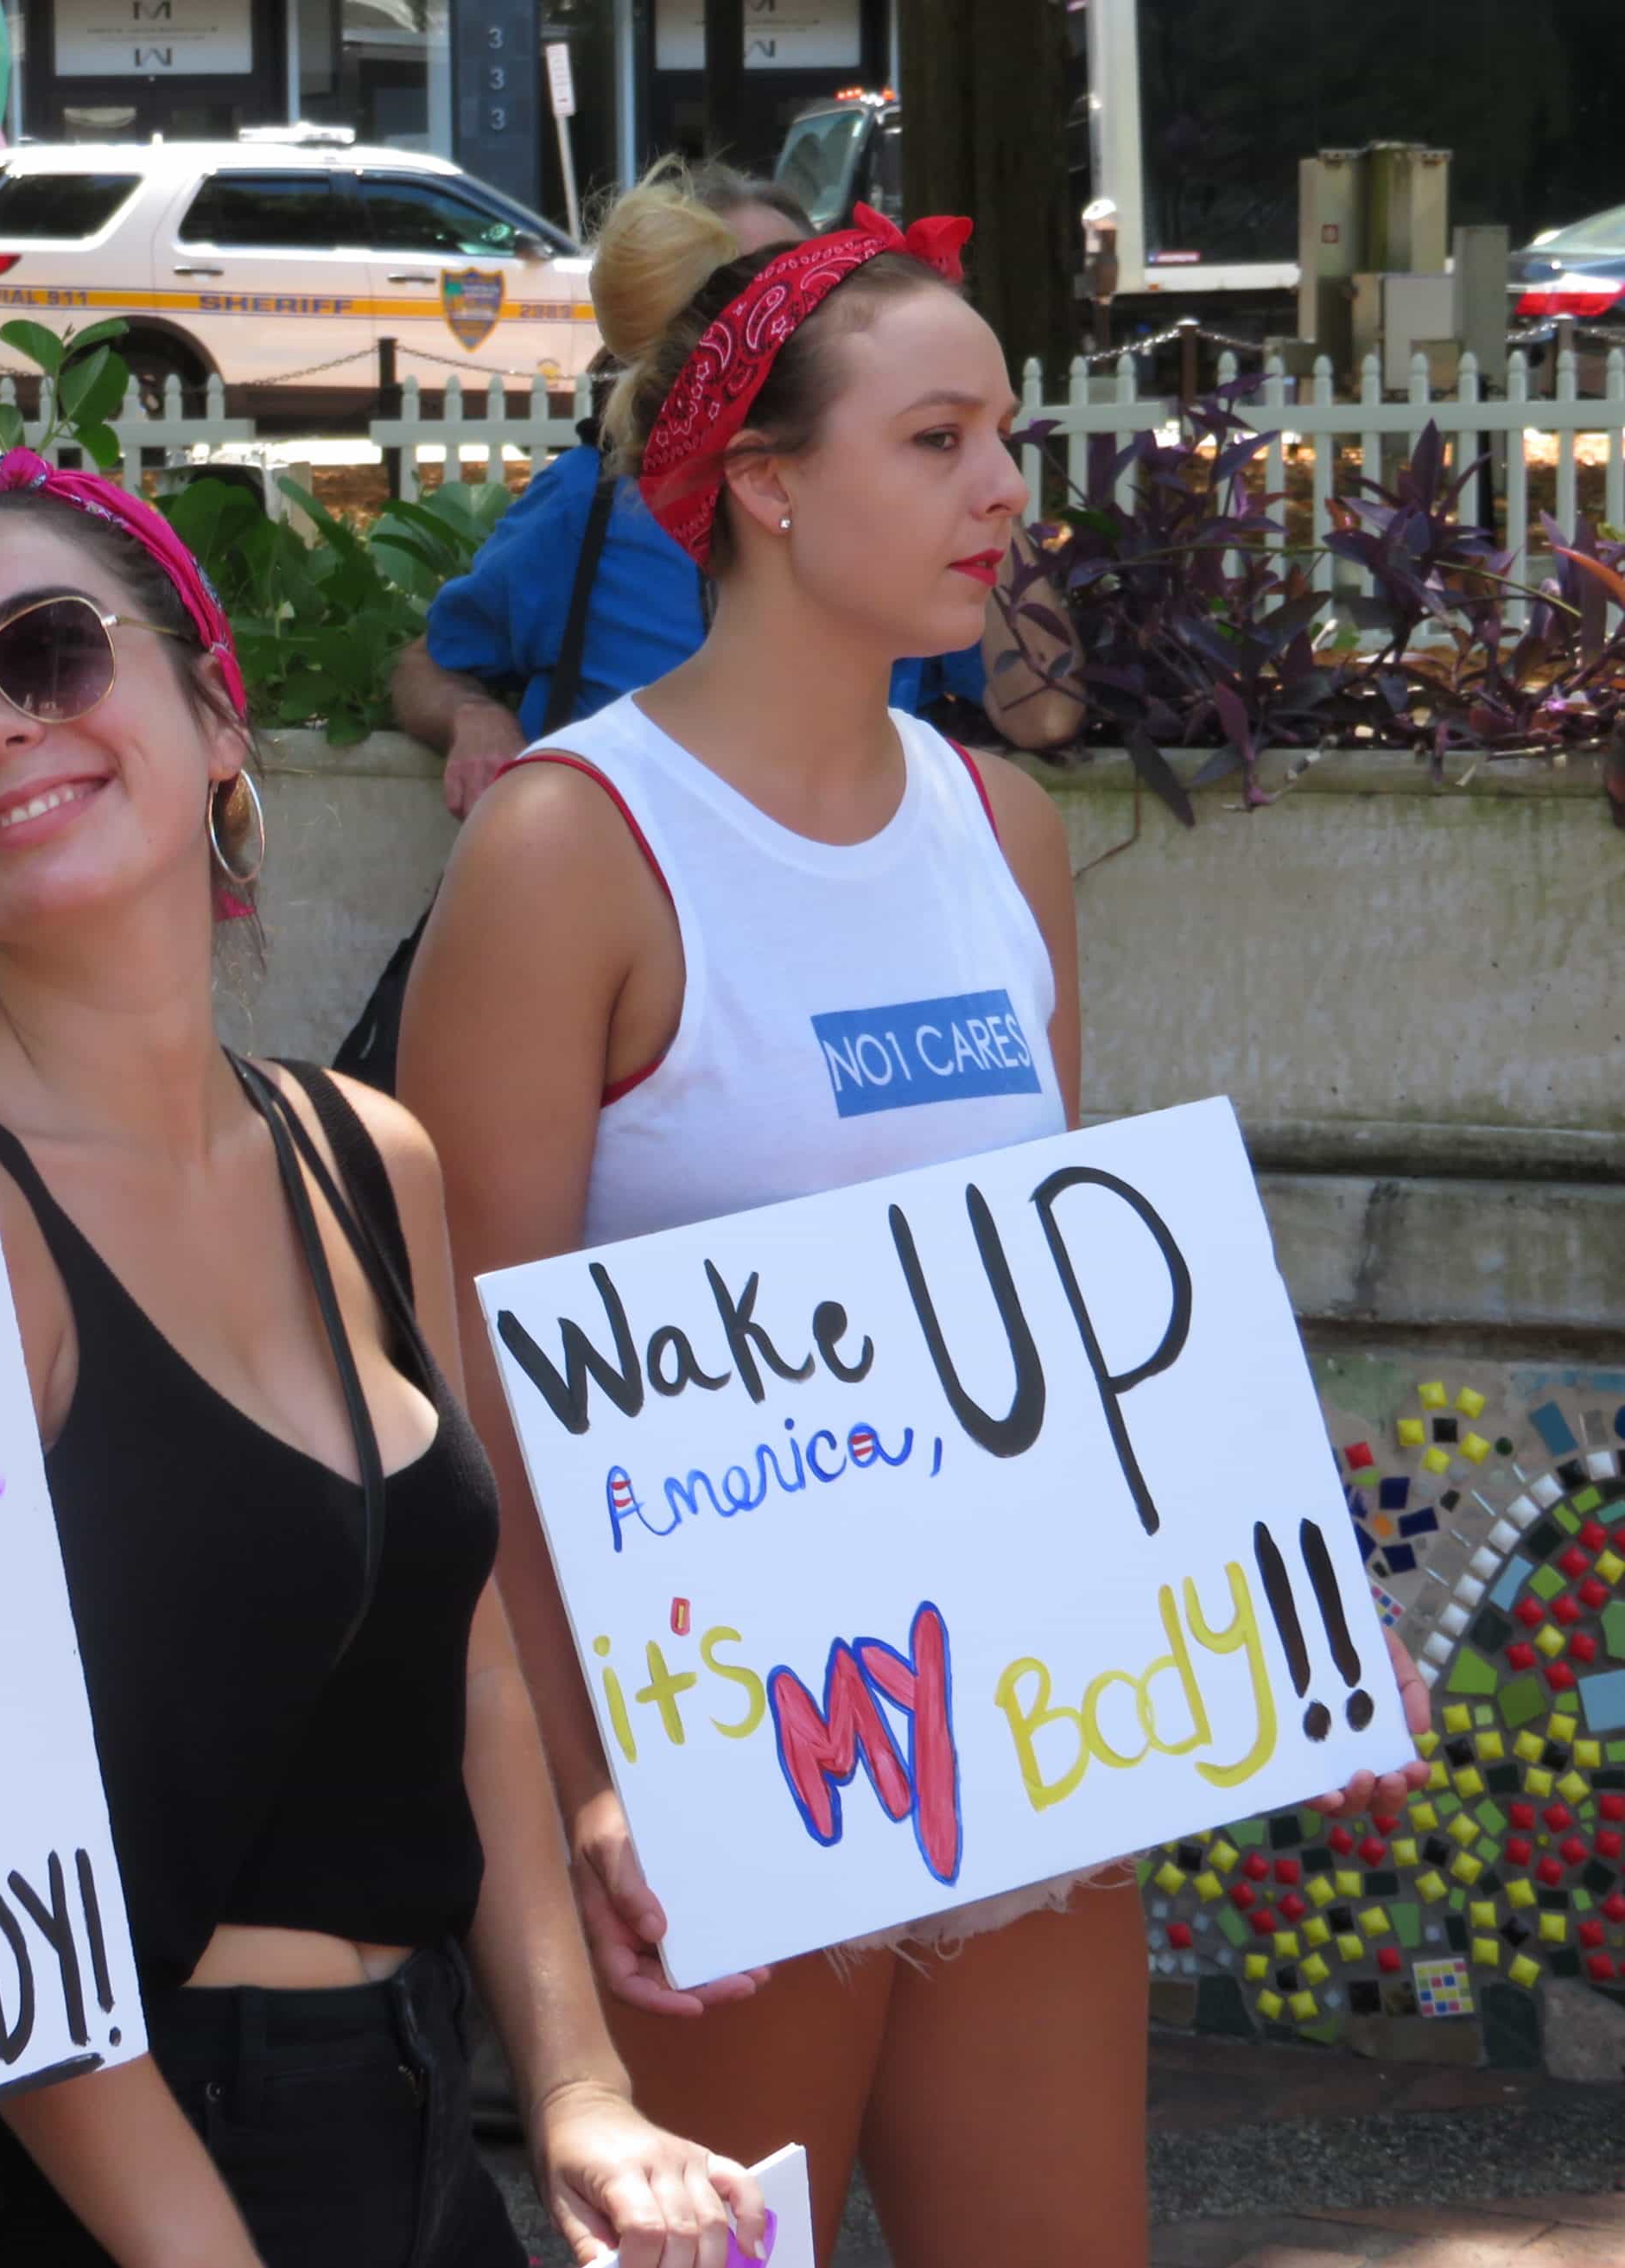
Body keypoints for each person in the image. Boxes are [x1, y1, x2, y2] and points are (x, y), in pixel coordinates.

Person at [397, 181, 1431, 2266]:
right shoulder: (570, 846)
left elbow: (1053, 1302)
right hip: (716, 1752)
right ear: (765, 487)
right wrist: (584, 1788)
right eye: (936, 441)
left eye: (1009, 442)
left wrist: (1279, 1613)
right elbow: (470, 1374)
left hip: (1028, 1720)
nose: (1002, 497)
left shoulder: (1003, 828)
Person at [0, 450, 765, 2268]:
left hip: (412, 2122)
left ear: (213, 712)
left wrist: (574, 2085)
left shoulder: (365, 1151)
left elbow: (469, 1662)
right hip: (112, 2173)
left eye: (48, 651)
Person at [390, 162, 1083, 819]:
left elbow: (1043, 711)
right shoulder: (588, 506)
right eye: (761, 293)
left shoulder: (896, 568)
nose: (801, 317)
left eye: (821, 287)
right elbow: (432, 662)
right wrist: (472, 716)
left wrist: (967, 473)